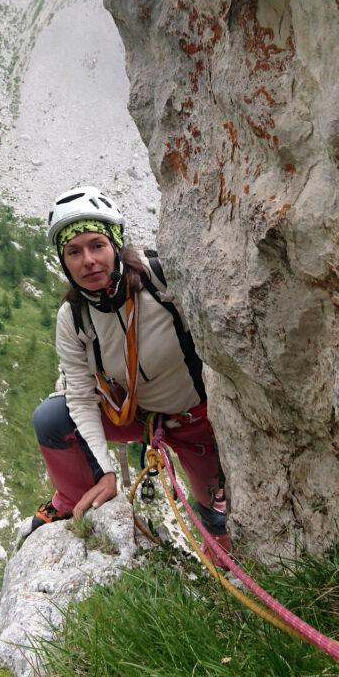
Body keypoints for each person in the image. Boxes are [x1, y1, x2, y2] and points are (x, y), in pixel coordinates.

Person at [30, 185, 229, 552]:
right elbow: (79, 396)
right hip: (138, 417)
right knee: (52, 419)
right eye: (74, 251)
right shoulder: (73, 316)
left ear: (116, 245)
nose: (87, 260)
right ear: (63, 260)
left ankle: (226, 556)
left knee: (219, 520)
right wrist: (106, 472)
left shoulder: (159, 278)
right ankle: (75, 501)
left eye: (97, 246)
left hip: (197, 420)